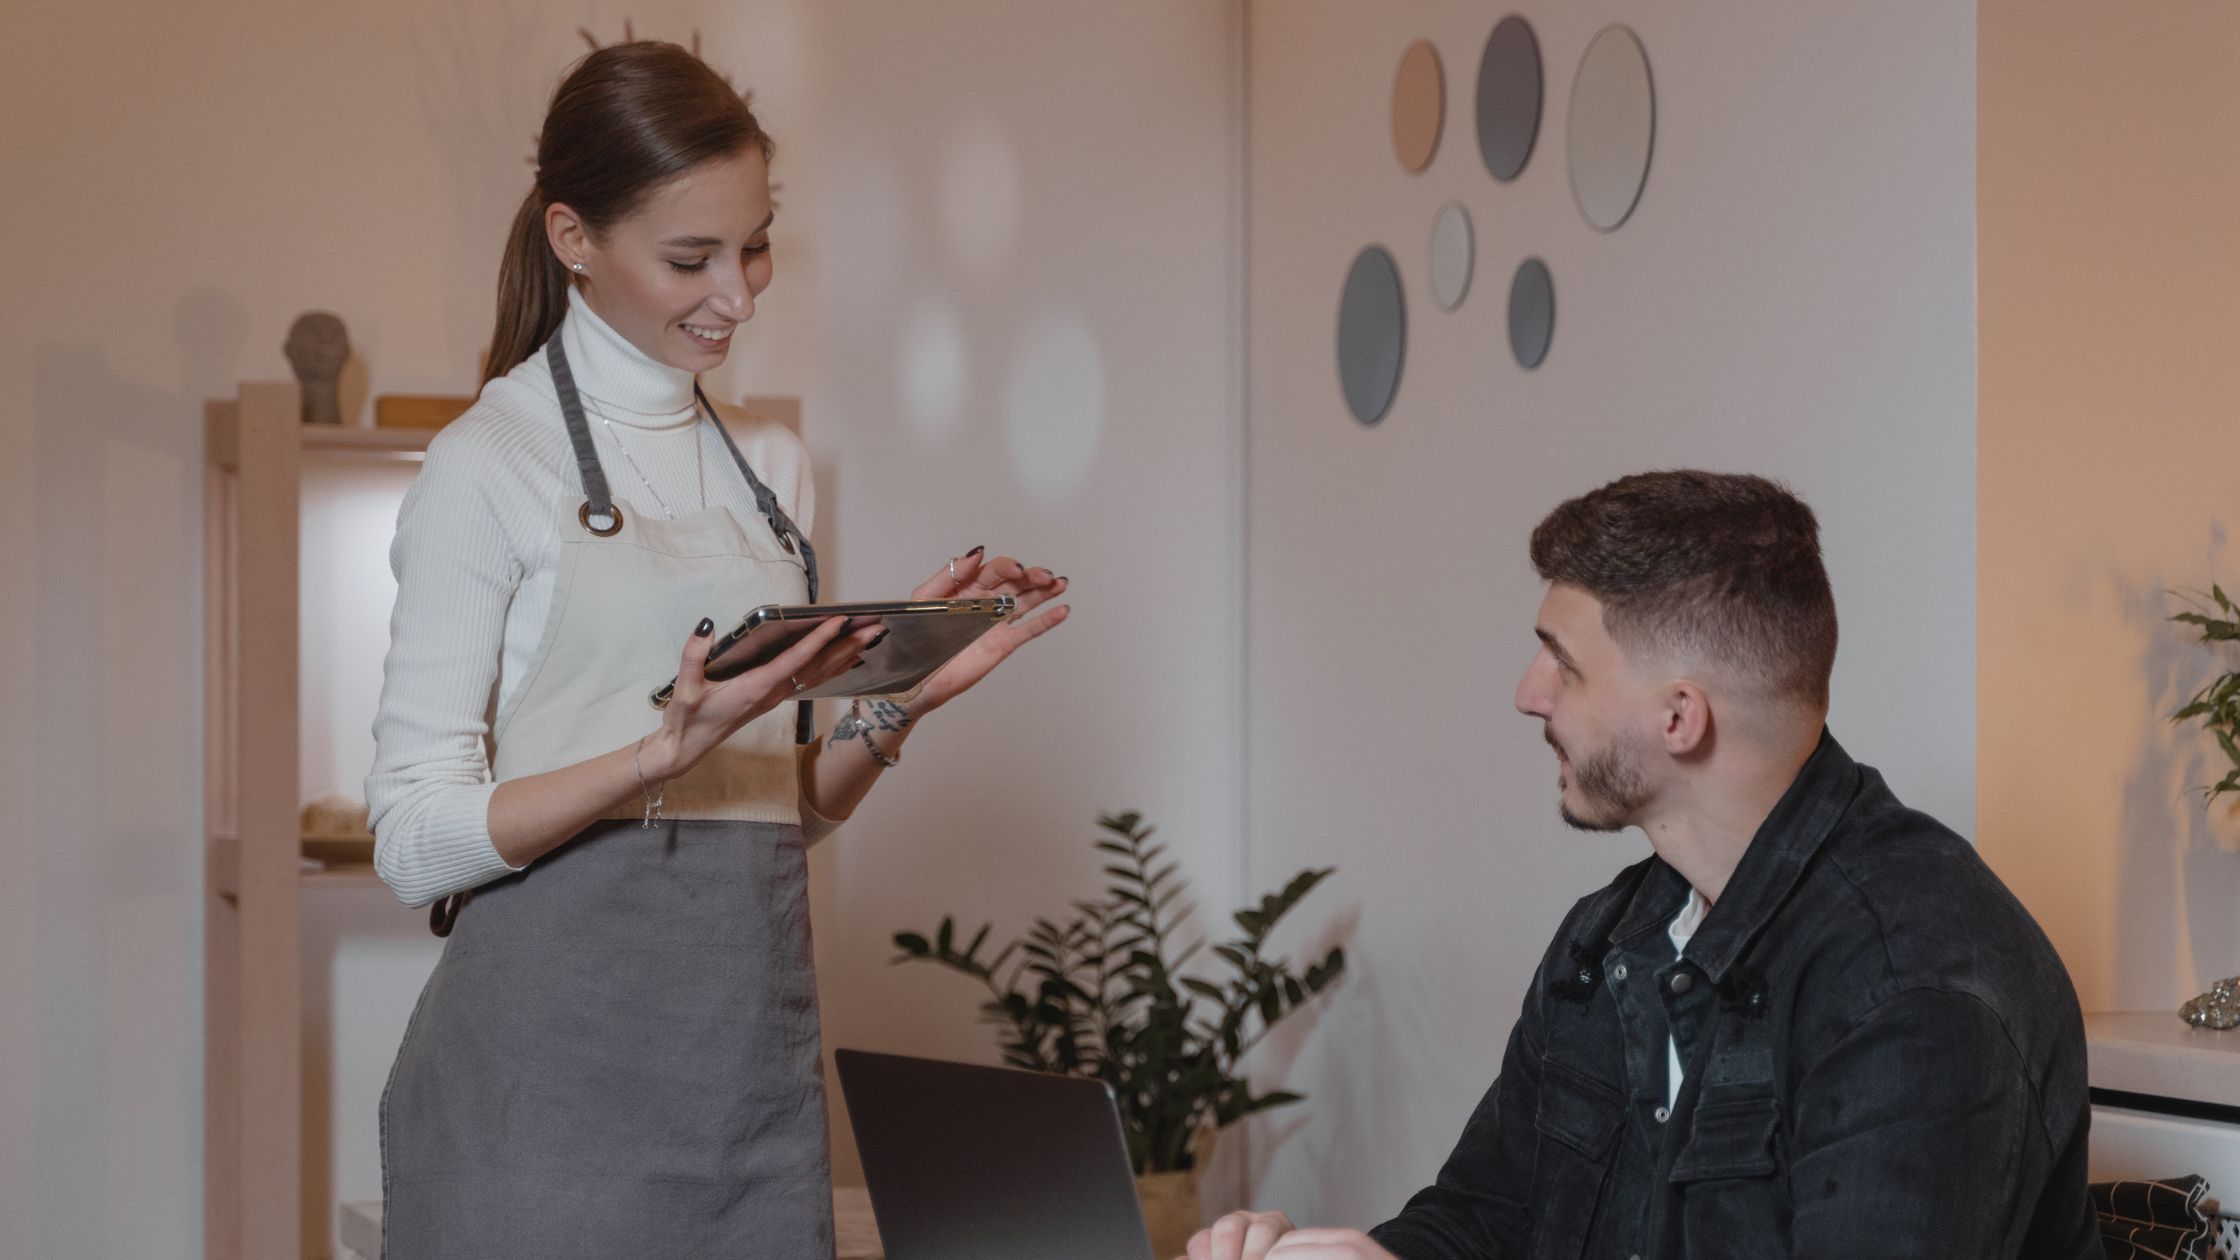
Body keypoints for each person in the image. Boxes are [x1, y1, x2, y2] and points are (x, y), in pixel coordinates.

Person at [365, 41, 1068, 1258]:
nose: (737, 296)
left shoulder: (771, 475)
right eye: (689, 258)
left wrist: (897, 694)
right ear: (572, 238)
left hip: (739, 1103)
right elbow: (413, 842)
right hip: (535, 1115)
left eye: (753, 246)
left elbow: (774, 816)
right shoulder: (489, 467)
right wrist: (654, 753)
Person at [1187, 471, 2095, 1260]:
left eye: (1563, 665)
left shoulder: (1916, 994)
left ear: (1679, 719)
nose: (1526, 694)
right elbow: (1481, 1221)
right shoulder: (1612, 940)